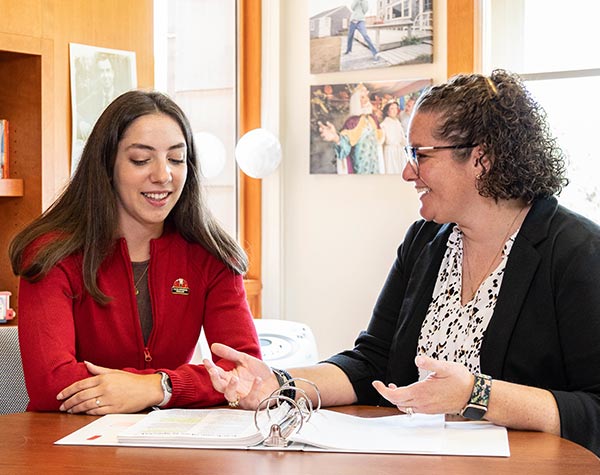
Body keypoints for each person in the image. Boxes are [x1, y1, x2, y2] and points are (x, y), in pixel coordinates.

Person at [204, 70, 600, 456]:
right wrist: (280, 383)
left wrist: (476, 394)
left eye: (420, 155)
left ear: (482, 159)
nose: (407, 171)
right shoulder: (424, 241)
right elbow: (371, 362)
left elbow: (594, 409)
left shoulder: (576, 252)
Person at [9, 90, 261, 414]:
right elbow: (52, 386)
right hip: (70, 450)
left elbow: (244, 372)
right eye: (141, 159)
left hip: (167, 447)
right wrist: (185, 384)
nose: (162, 175)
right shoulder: (51, 254)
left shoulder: (212, 255)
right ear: (107, 166)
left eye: (175, 159)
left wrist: (157, 387)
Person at [318, 83, 384, 174]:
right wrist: (335, 138)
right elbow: (345, 145)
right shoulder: (352, 122)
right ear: (356, 101)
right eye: (362, 97)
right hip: (360, 167)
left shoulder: (373, 119)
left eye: (366, 97)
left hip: (374, 165)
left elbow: (379, 140)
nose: (367, 100)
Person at [380, 100, 408, 174]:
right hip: (390, 152)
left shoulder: (397, 122)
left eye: (396, 108)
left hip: (399, 150)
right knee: (391, 170)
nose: (394, 111)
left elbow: (402, 138)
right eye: (392, 108)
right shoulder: (384, 124)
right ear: (387, 111)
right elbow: (381, 140)